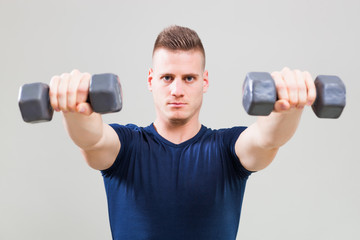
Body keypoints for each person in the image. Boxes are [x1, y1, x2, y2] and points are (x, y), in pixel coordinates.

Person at [49, 25, 316, 240]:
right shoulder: (126, 146)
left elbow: (267, 138)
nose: (177, 90)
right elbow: (92, 139)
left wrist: (289, 106)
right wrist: (75, 108)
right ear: (151, 80)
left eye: (189, 78)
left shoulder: (226, 148)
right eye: (167, 78)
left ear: (205, 81)